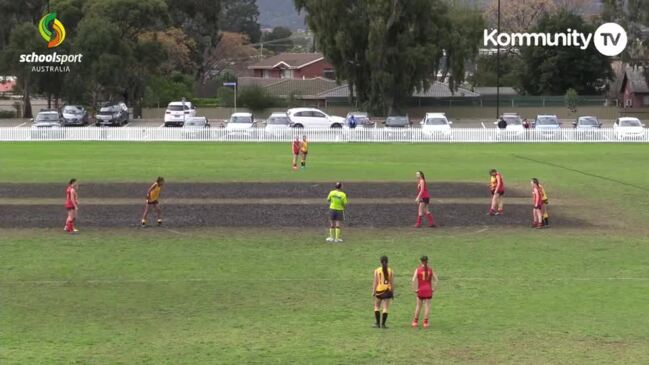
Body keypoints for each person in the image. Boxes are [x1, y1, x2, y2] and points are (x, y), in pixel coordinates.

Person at [411, 256, 438, 329]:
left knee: (418, 306)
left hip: (420, 290)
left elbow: (413, 280)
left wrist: (415, 289)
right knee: (427, 306)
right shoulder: (430, 270)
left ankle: (415, 322)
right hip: (428, 290)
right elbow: (436, 280)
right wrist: (433, 289)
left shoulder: (418, 270)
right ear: (427, 261)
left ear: (421, 261)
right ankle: (425, 322)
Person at [373, 256, 394, 328]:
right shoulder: (390, 271)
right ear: (387, 262)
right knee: (385, 308)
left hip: (379, 291)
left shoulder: (377, 270)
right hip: (387, 291)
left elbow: (375, 282)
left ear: (380, 262)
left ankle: (377, 323)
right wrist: (392, 293)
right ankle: (383, 324)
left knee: (376, 307)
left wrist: (373, 292)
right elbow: (391, 283)